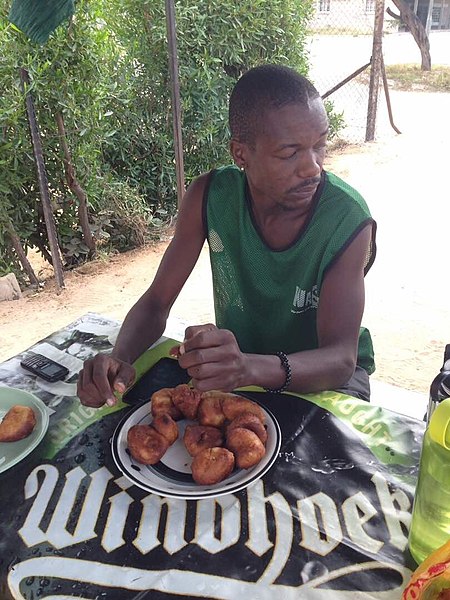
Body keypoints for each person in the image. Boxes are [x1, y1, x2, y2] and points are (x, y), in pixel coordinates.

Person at [77, 64, 376, 408]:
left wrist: (248, 367)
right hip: (242, 372)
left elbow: (340, 359)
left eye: (319, 145)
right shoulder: (210, 197)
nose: (312, 167)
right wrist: (120, 358)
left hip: (326, 383)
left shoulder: (346, 218)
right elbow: (157, 301)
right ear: (240, 154)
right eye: (289, 153)